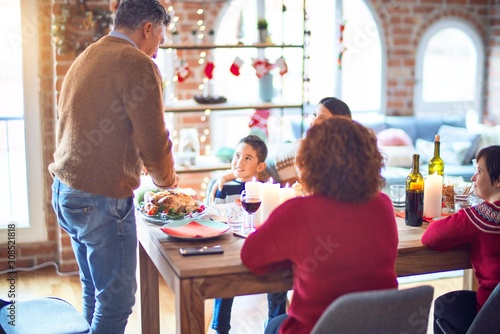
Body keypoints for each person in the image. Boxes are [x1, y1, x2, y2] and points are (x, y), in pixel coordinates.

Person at [49, 1, 178, 333]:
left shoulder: (88, 56)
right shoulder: (137, 63)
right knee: (118, 302)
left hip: (66, 192)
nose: (158, 48)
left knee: (95, 290)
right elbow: (153, 138)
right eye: (160, 38)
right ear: (148, 29)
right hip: (101, 199)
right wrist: (168, 182)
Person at [241, 117, 399, 334]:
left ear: (311, 162)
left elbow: (251, 257)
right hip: (375, 328)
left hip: (315, 329)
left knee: (274, 325)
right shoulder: (383, 204)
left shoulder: (297, 211)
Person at [211, 135, 287, 334]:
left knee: (279, 273)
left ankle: (275, 323)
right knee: (224, 280)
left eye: (248, 158)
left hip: (259, 247)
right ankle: (220, 327)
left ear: (261, 166)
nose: (239, 161)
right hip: (230, 247)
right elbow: (215, 217)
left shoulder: (265, 190)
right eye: (237, 155)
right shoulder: (223, 188)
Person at [209, 97, 352, 202]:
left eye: (323, 118)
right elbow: (262, 167)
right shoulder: (303, 148)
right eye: (314, 115)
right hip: (275, 199)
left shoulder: (347, 156)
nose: (314, 122)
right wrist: (230, 175)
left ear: (339, 124)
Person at [421, 145, 500, 334]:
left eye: (479, 171)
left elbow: (430, 237)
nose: (473, 178)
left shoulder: (482, 217)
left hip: (491, 318)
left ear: (498, 181)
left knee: (443, 306)